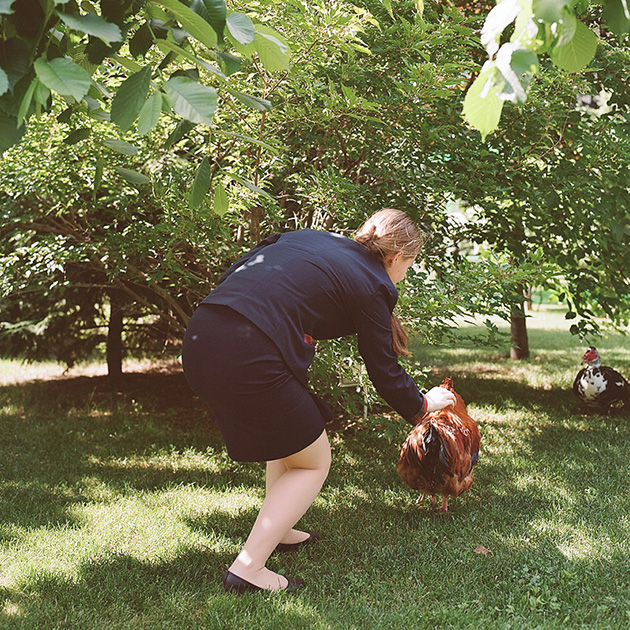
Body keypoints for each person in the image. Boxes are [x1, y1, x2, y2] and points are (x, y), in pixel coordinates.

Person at [181, 208, 456, 594]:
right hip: (249, 350)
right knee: (314, 462)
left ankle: (280, 527)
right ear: (397, 258)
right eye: (409, 265)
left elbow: (243, 267)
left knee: (291, 438)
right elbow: (383, 369)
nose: (404, 274)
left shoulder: (314, 239)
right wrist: (423, 405)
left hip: (203, 332)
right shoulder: (374, 283)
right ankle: (248, 569)